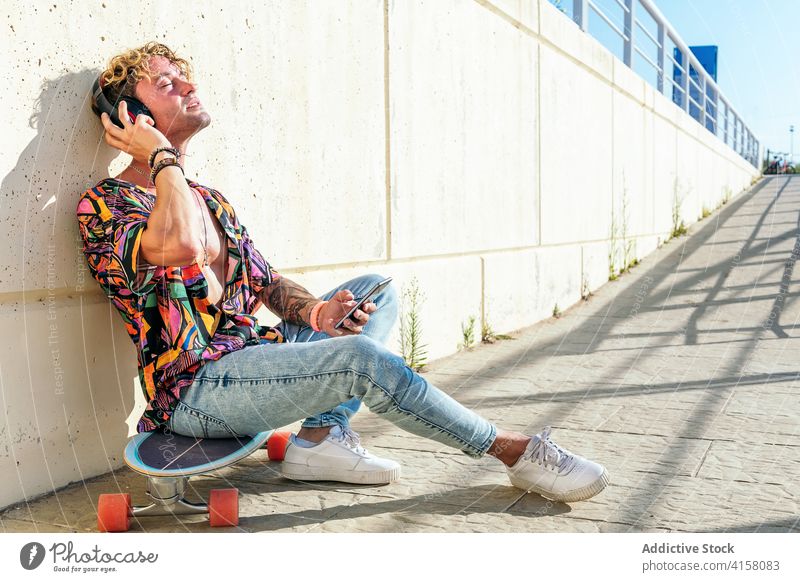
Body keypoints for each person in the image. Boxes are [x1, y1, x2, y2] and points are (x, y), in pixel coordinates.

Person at [76, 42, 609, 502]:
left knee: (372, 291)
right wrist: (163, 158)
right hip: (198, 390)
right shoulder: (104, 206)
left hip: (253, 355)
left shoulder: (211, 199)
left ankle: (319, 442)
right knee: (360, 360)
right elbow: (179, 244)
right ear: (130, 119)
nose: (189, 84)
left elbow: (267, 283)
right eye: (167, 83)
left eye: (184, 75)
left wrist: (318, 312)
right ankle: (514, 451)